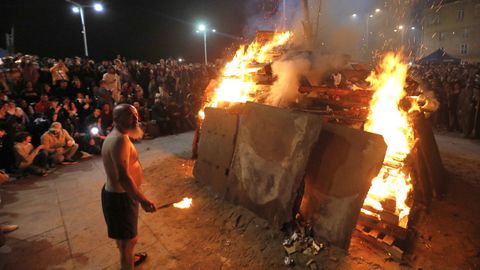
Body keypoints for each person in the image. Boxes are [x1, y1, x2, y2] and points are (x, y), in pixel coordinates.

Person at [101, 104, 156, 269]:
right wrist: (143, 200)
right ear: (116, 120)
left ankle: (129, 257)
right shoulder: (119, 140)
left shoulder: (119, 136)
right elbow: (123, 177)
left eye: (135, 115)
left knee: (124, 237)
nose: (135, 119)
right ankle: (127, 261)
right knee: (129, 241)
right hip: (121, 198)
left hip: (118, 196)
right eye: (130, 116)